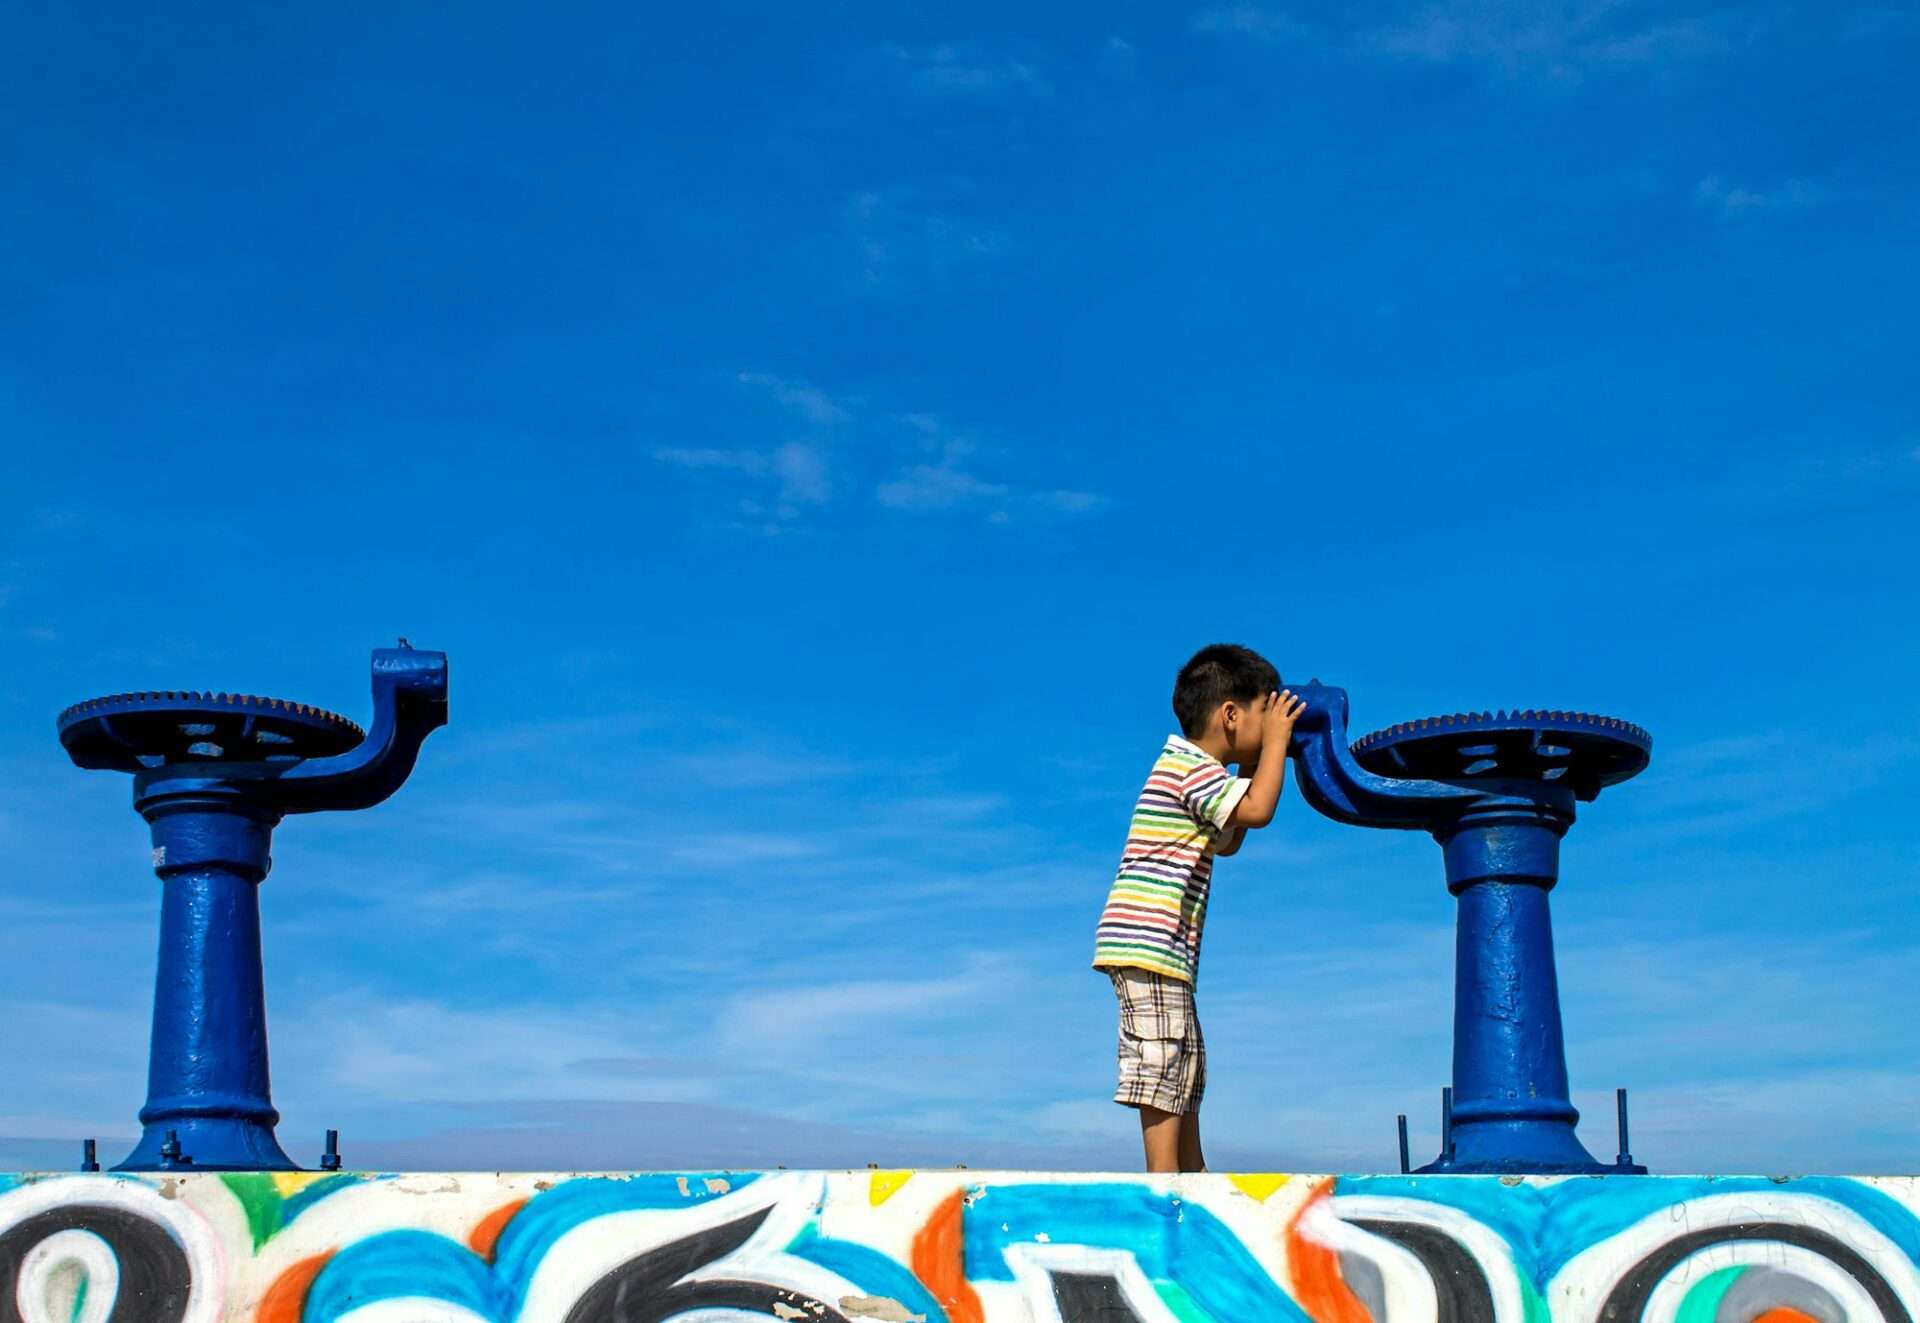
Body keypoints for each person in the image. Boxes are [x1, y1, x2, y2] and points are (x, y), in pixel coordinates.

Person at [1091, 643, 1305, 1173]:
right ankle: (1164, 1181)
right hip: (1148, 941)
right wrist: (1275, 746)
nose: (1274, 722)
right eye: (1266, 711)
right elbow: (1256, 811)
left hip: (1163, 949)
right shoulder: (1189, 768)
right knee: (1162, 1058)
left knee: (1186, 1063)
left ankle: (1191, 1171)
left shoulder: (1199, 777)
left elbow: (1229, 839)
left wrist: (1258, 756)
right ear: (1231, 715)